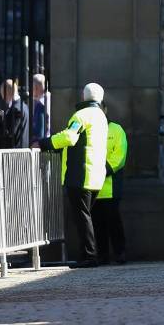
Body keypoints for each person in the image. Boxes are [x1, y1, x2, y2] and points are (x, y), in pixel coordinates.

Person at [39, 82, 108, 268]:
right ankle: (89, 254)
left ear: (83, 97)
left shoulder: (81, 115)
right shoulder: (101, 116)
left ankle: (89, 256)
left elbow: (70, 137)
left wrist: (44, 143)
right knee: (86, 216)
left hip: (80, 174)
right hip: (96, 175)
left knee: (82, 218)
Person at [94, 104, 128, 265]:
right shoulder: (89, 129)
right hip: (93, 185)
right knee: (97, 223)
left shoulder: (116, 129)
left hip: (110, 186)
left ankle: (120, 253)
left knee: (114, 222)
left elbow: (119, 156)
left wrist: (103, 170)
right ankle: (103, 255)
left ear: (105, 110)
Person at [0, 79, 30, 149]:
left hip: (15, 154)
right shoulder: (24, 106)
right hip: (23, 151)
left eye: (3, 95)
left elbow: (9, 133)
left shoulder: (15, 109)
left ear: (5, 93)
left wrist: (1, 118)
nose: (3, 98)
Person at [30, 73, 50, 146]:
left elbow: (40, 131)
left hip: (42, 145)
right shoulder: (51, 98)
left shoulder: (40, 105)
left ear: (35, 87)